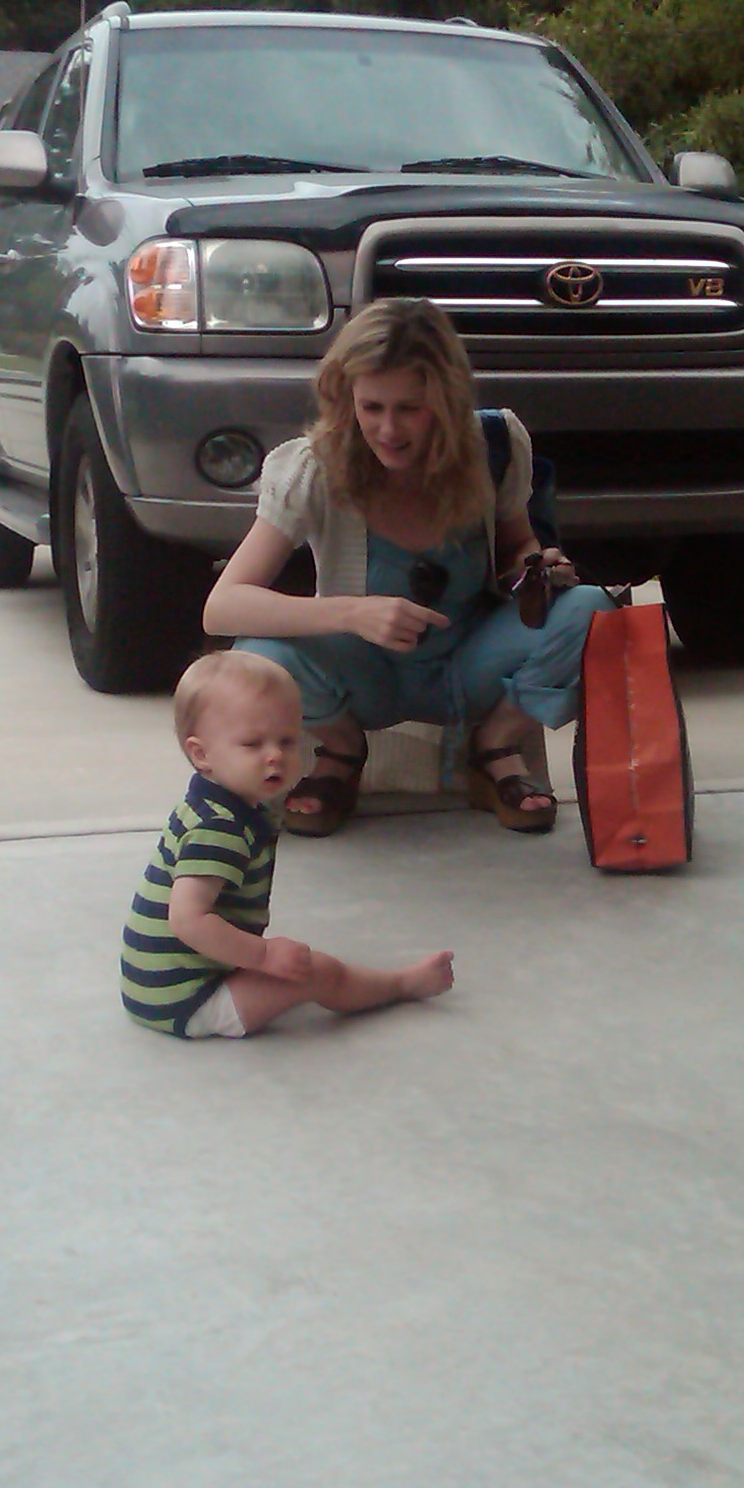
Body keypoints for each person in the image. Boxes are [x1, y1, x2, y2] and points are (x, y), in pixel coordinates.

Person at [204, 297, 613, 837]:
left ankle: (493, 747)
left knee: (591, 610)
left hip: (468, 663)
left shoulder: (493, 445)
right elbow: (223, 606)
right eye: (371, 407)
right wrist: (352, 613)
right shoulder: (313, 466)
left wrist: (534, 569)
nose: (388, 429)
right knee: (256, 655)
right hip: (364, 676)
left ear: (446, 400)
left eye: (410, 408)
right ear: (346, 397)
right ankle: (342, 750)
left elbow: (518, 543)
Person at [120, 650, 456, 1040]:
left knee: (297, 965)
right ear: (202, 754)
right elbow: (187, 920)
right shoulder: (218, 827)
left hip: (163, 986)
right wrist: (262, 955)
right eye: (252, 743)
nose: (275, 756)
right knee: (318, 972)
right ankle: (401, 984)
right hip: (186, 999)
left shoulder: (215, 803)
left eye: (287, 740)